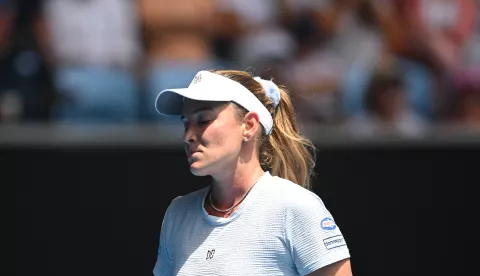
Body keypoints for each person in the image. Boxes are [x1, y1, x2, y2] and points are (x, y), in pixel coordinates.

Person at [153, 69, 353, 276]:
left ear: (248, 125)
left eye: (203, 120)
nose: (188, 136)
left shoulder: (295, 207)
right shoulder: (177, 214)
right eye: (185, 124)